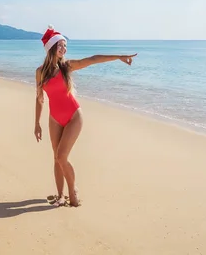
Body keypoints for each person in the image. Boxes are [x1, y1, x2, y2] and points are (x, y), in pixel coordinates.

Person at [34, 25, 137, 207]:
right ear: (51, 48)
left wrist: (119, 56)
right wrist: (37, 123)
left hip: (74, 116)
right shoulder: (40, 72)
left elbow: (92, 59)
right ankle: (60, 195)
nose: (64, 49)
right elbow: (40, 98)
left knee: (61, 156)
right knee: (56, 158)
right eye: (60, 45)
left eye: (65, 46)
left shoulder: (66, 67)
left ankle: (72, 191)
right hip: (54, 118)